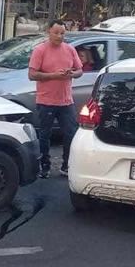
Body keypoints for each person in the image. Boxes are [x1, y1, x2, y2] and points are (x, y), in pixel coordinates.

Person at [28, 20, 83, 178]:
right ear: (49, 32)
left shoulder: (70, 49)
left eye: (62, 33)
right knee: (45, 135)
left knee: (71, 133)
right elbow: (32, 75)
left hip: (66, 101)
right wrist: (54, 75)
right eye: (56, 33)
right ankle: (45, 166)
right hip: (46, 101)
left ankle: (66, 165)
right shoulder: (40, 50)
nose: (59, 36)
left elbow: (79, 70)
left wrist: (71, 74)